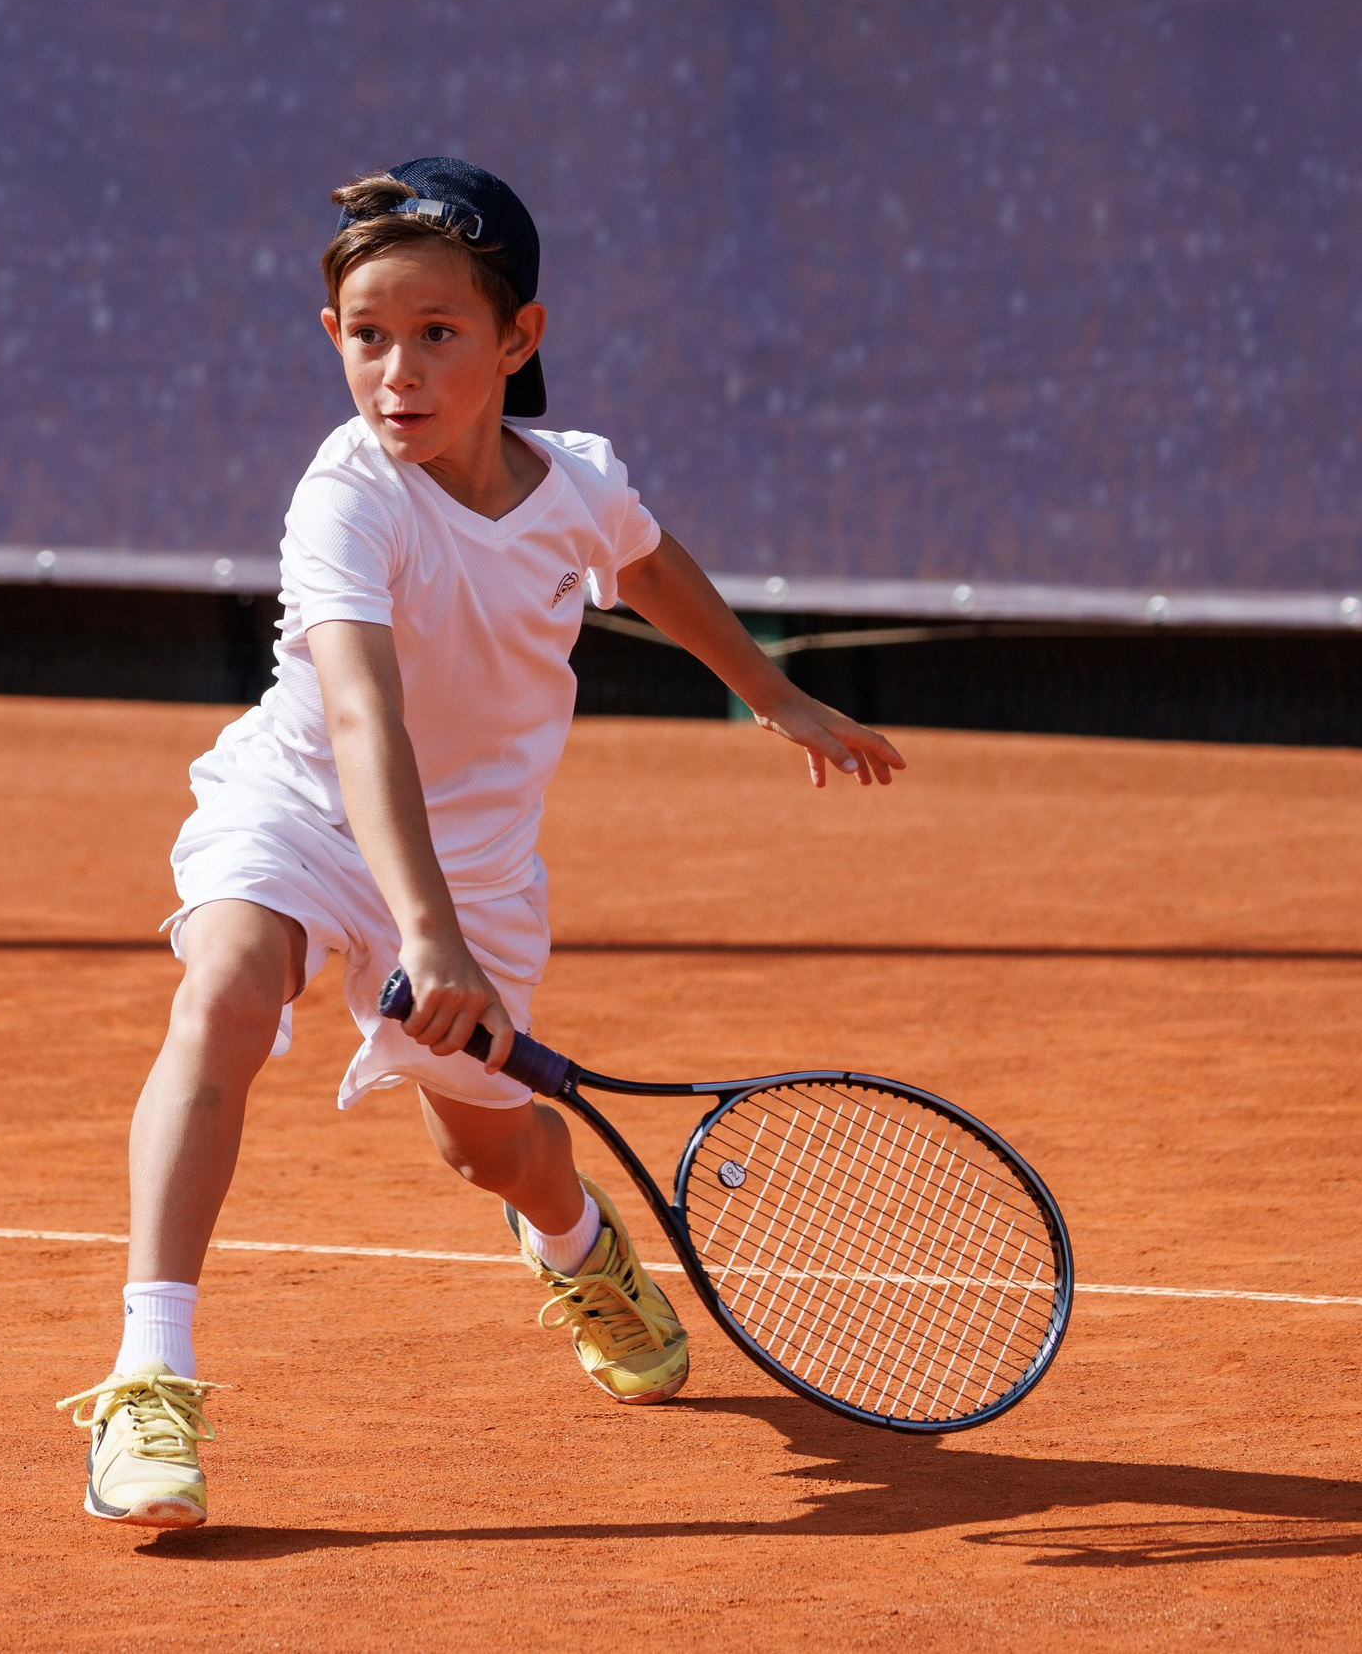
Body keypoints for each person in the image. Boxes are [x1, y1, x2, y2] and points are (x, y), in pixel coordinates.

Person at [57, 158, 904, 1528]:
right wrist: (419, 927)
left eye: (439, 334)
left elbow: (642, 560)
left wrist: (775, 691)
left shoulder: (574, 484)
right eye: (368, 337)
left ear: (519, 339)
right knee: (219, 996)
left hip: (482, 873)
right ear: (333, 337)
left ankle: (574, 1241)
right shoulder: (349, 496)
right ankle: (150, 1377)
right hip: (308, 812)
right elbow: (358, 712)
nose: (398, 371)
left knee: (492, 1155)